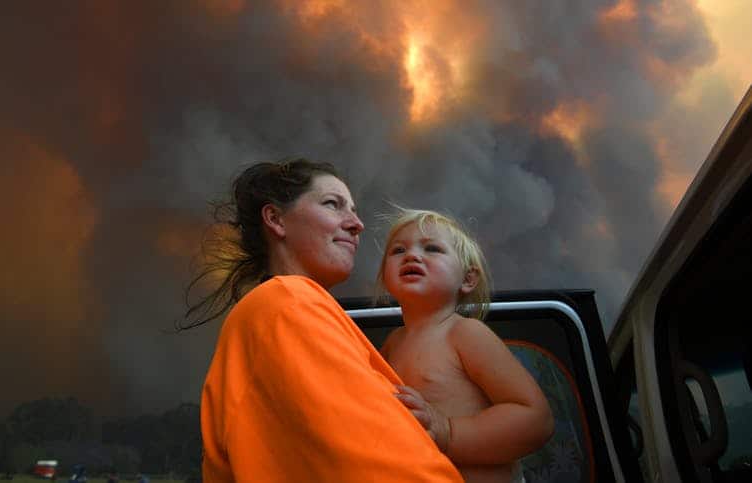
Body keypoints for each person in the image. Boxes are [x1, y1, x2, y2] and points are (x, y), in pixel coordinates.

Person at [182, 158, 462, 482]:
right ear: (276, 219)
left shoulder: (279, 309)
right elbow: (381, 466)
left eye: (354, 210)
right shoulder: (287, 304)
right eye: (333, 205)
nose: (357, 224)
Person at [377, 208, 554, 483]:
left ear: (468, 279)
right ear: (384, 276)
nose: (411, 255)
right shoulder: (391, 344)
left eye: (432, 248)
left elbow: (535, 418)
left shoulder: (466, 333)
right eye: (398, 250)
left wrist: (449, 432)